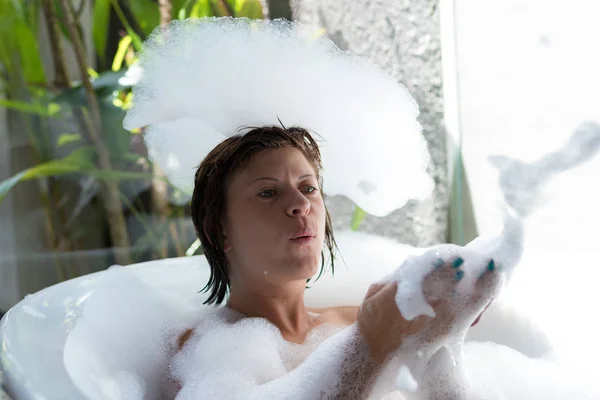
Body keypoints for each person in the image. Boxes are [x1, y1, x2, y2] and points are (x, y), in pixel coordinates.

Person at [172, 125, 494, 399]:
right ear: (219, 232)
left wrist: (443, 338)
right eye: (268, 193)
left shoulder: (356, 323)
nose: (301, 204)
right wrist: (369, 347)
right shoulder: (202, 355)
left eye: (308, 187)